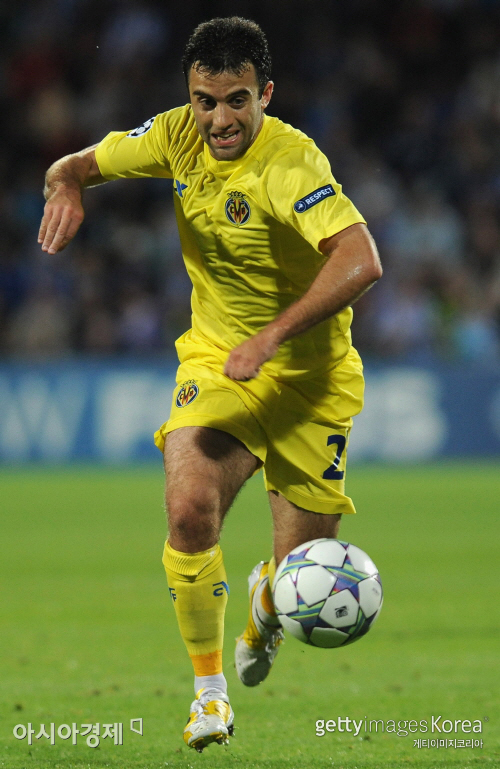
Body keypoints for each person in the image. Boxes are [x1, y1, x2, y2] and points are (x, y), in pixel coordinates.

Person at [39, 16, 382, 753]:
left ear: (265, 94)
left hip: (310, 381)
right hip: (219, 364)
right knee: (189, 510)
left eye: (236, 101)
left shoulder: (292, 163)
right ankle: (208, 697)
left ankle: (267, 601)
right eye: (205, 100)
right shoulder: (174, 136)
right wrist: (64, 185)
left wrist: (274, 335)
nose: (220, 119)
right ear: (189, 95)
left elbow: (361, 260)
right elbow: (73, 164)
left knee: (298, 584)